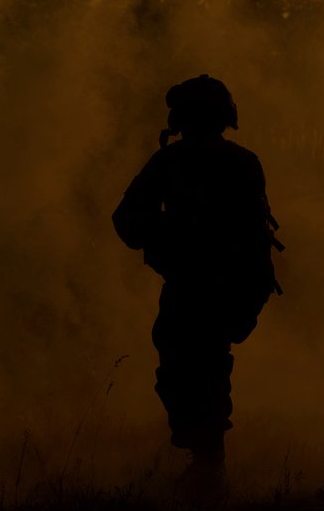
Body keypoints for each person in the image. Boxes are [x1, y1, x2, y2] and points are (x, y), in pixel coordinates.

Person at [113, 75, 282, 485]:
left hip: (205, 285)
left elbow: (129, 220)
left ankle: (208, 461)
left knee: (193, 369)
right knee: (195, 368)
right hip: (215, 284)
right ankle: (206, 457)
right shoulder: (235, 161)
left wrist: (165, 240)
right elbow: (131, 220)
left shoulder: (180, 162)